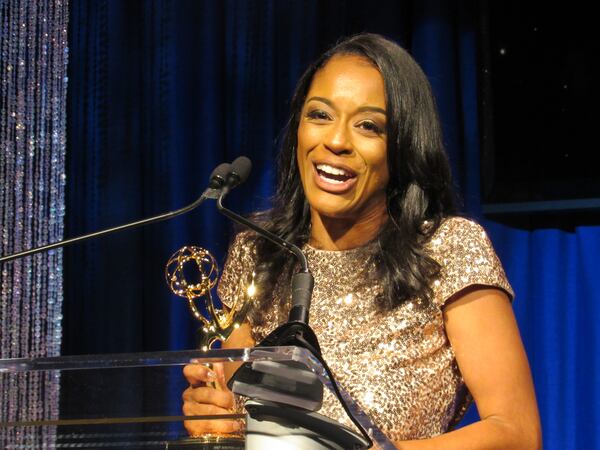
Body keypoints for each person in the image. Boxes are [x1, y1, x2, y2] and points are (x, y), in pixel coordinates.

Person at [182, 33, 542, 449]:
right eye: (320, 115)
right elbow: (241, 423)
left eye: (368, 126)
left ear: (403, 147)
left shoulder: (448, 250)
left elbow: (516, 433)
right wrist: (218, 421)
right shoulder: (257, 252)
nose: (335, 141)